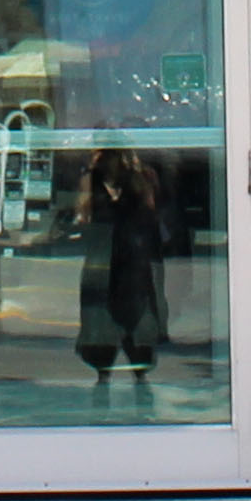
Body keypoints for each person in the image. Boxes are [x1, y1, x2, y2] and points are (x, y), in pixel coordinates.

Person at [71, 148, 170, 390]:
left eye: (113, 154)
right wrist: (88, 175)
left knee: (137, 315)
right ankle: (103, 373)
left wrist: (136, 173)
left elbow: (151, 211)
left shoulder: (141, 178)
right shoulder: (92, 180)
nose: (108, 160)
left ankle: (140, 373)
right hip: (102, 258)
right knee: (99, 319)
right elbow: (82, 217)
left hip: (134, 258)